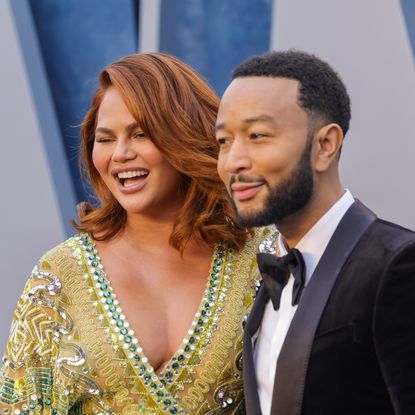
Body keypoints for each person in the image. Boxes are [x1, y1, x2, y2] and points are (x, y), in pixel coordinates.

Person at [0, 53, 269, 414]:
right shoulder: (59, 276)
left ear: (184, 136)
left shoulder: (262, 258)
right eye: (105, 139)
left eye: (140, 134)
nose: (121, 154)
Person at [216, 50, 415, 415]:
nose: (233, 162)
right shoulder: (270, 276)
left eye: (257, 135)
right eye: (223, 142)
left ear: (325, 145)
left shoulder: (398, 265)